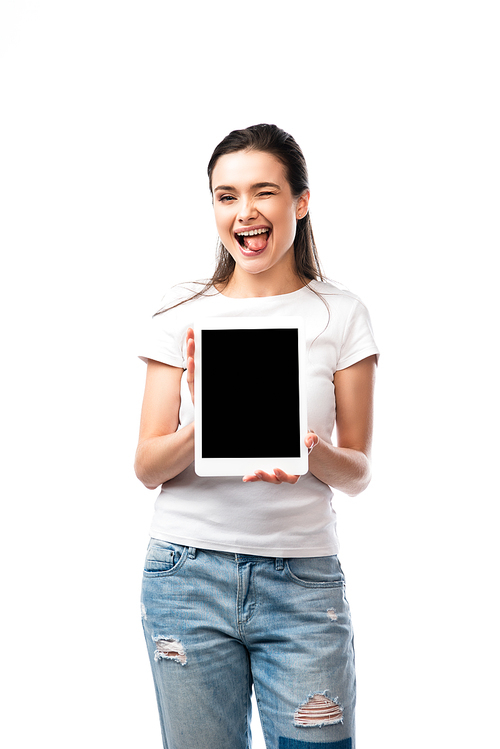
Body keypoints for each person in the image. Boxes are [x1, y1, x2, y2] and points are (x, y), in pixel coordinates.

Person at [135, 123, 379, 749]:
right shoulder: (180, 310)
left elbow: (358, 472)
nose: (245, 212)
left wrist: (309, 452)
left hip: (302, 584)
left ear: (300, 201)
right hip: (186, 576)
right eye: (226, 195)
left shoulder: (340, 313)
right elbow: (147, 465)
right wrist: (206, 425)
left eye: (264, 192)